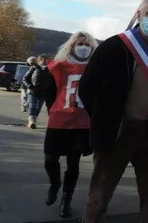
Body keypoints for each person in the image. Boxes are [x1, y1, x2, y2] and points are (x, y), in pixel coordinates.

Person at [78, 0, 148, 223]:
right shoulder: (114, 46)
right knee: (98, 198)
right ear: (139, 15)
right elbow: (86, 89)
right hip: (116, 134)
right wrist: (104, 120)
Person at [42, 31, 98, 218]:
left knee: (73, 163)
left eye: (87, 44)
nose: (83, 47)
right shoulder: (59, 67)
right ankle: (55, 183)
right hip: (59, 121)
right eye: (79, 43)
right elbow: (49, 92)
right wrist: (55, 110)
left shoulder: (95, 69)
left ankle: (66, 199)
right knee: (50, 158)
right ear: (71, 46)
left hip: (81, 124)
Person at [23, 54, 50, 129]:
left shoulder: (50, 70)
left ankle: (33, 121)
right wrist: (30, 86)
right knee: (32, 106)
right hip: (33, 91)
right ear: (39, 60)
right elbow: (25, 78)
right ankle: (31, 122)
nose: (44, 61)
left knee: (38, 108)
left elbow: (52, 81)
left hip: (43, 92)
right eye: (42, 59)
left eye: (45, 60)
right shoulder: (34, 68)